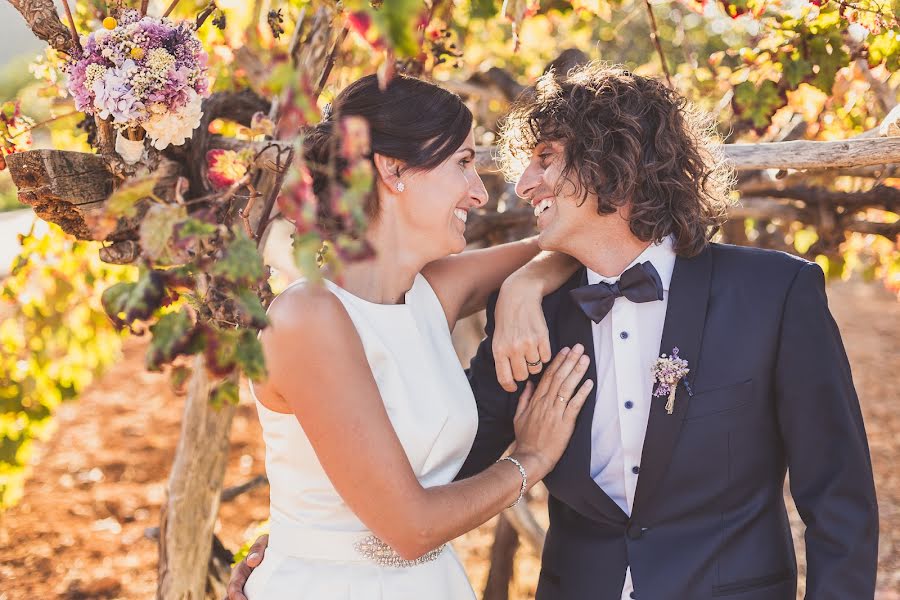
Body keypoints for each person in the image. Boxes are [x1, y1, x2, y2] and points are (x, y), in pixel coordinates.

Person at [229, 63, 879, 599]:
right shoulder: (533, 318)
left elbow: (838, 503)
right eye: (470, 164)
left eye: (544, 158)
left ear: (612, 161)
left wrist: (526, 279)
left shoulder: (774, 294)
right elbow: (440, 468)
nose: (513, 187)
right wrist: (298, 544)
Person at [235, 73, 592, 599]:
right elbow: (410, 527)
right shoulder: (305, 318)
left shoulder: (431, 294)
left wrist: (524, 286)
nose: (479, 191)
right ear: (393, 169)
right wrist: (531, 459)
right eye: (463, 164)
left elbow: (566, 242)